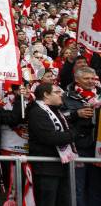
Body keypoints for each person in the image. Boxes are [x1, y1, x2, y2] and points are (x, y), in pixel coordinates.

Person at [29, 83, 77, 206]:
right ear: (46, 95)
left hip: (60, 166)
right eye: (57, 92)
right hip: (46, 169)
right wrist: (73, 134)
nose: (61, 94)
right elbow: (50, 137)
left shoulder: (56, 111)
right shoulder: (37, 112)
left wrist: (71, 133)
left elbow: (68, 131)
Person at [62, 67, 101, 206]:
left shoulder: (99, 95)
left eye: (93, 78)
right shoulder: (65, 96)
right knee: (78, 187)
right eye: (86, 78)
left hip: (97, 148)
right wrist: (76, 114)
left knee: (96, 188)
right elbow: (58, 117)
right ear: (77, 79)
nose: (91, 81)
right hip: (78, 147)